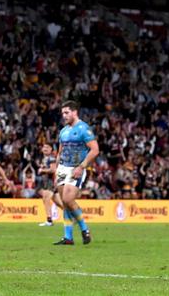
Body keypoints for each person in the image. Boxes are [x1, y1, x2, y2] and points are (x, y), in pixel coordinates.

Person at [53, 101, 99, 245]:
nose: (64, 116)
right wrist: (56, 170)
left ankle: (84, 229)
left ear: (75, 112)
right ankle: (68, 237)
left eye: (67, 113)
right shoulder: (63, 131)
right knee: (64, 203)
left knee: (67, 199)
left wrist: (82, 166)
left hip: (76, 168)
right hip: (62, 168)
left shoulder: (84, 129)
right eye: (63, 113)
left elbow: (95, 150)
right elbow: (60, 152)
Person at [36, 144, 57, 226]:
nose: (45, 149)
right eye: (44, 147)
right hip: (44, 182)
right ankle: (74, 216)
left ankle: (49, 220)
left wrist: (42, 170)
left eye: (47, 147)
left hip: (50, 181)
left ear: (51, 149)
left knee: (46, 198)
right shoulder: (43, 159)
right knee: (58, 201)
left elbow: (53, 169)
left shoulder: (51, 158)